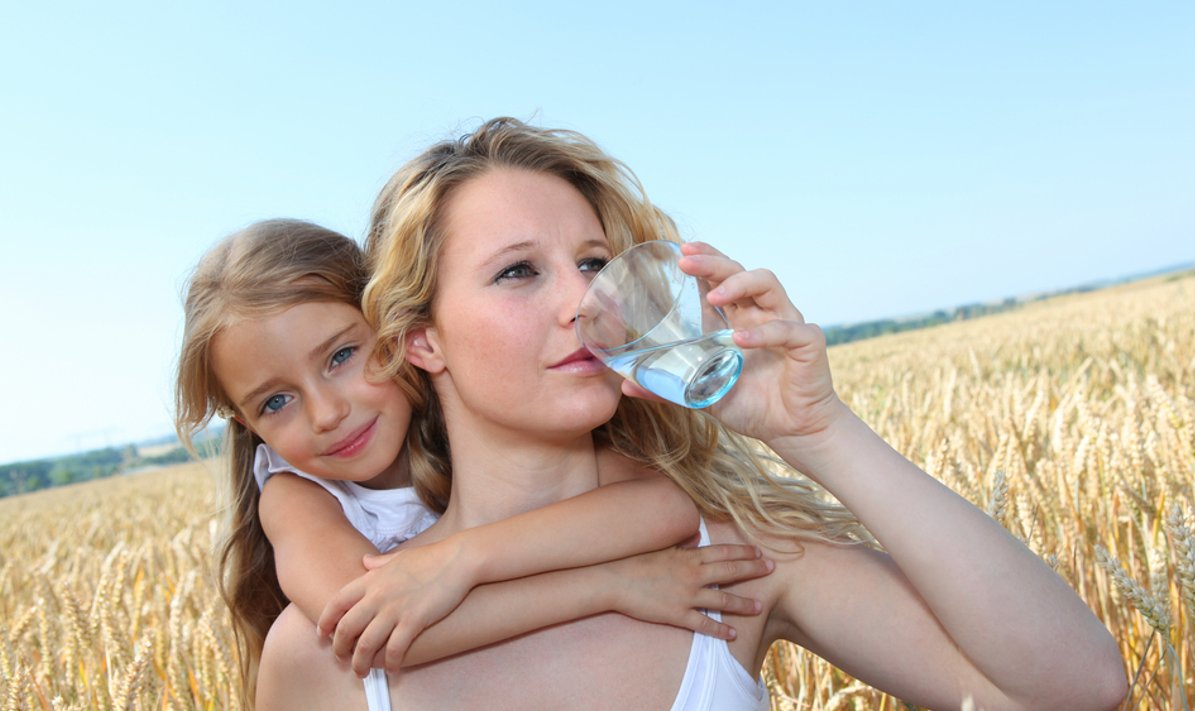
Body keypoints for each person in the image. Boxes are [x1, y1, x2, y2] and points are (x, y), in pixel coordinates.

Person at [269, 118, 1129, 711]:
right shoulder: (330, 647)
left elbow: (1077, 689)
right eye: (519, 272)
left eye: (596, 260)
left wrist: (817, 429)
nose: (586, 300)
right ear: (422, 341)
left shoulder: (731, 562)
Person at [173, 219, 774, 709]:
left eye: (341, 356)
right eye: (275, 401)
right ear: (248, 426)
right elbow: (374, 626)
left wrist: (456, 559)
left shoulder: (474, 426)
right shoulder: (293, 494)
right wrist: (607, 585)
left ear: (400, 326)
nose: (326, 412)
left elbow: (660, 507)